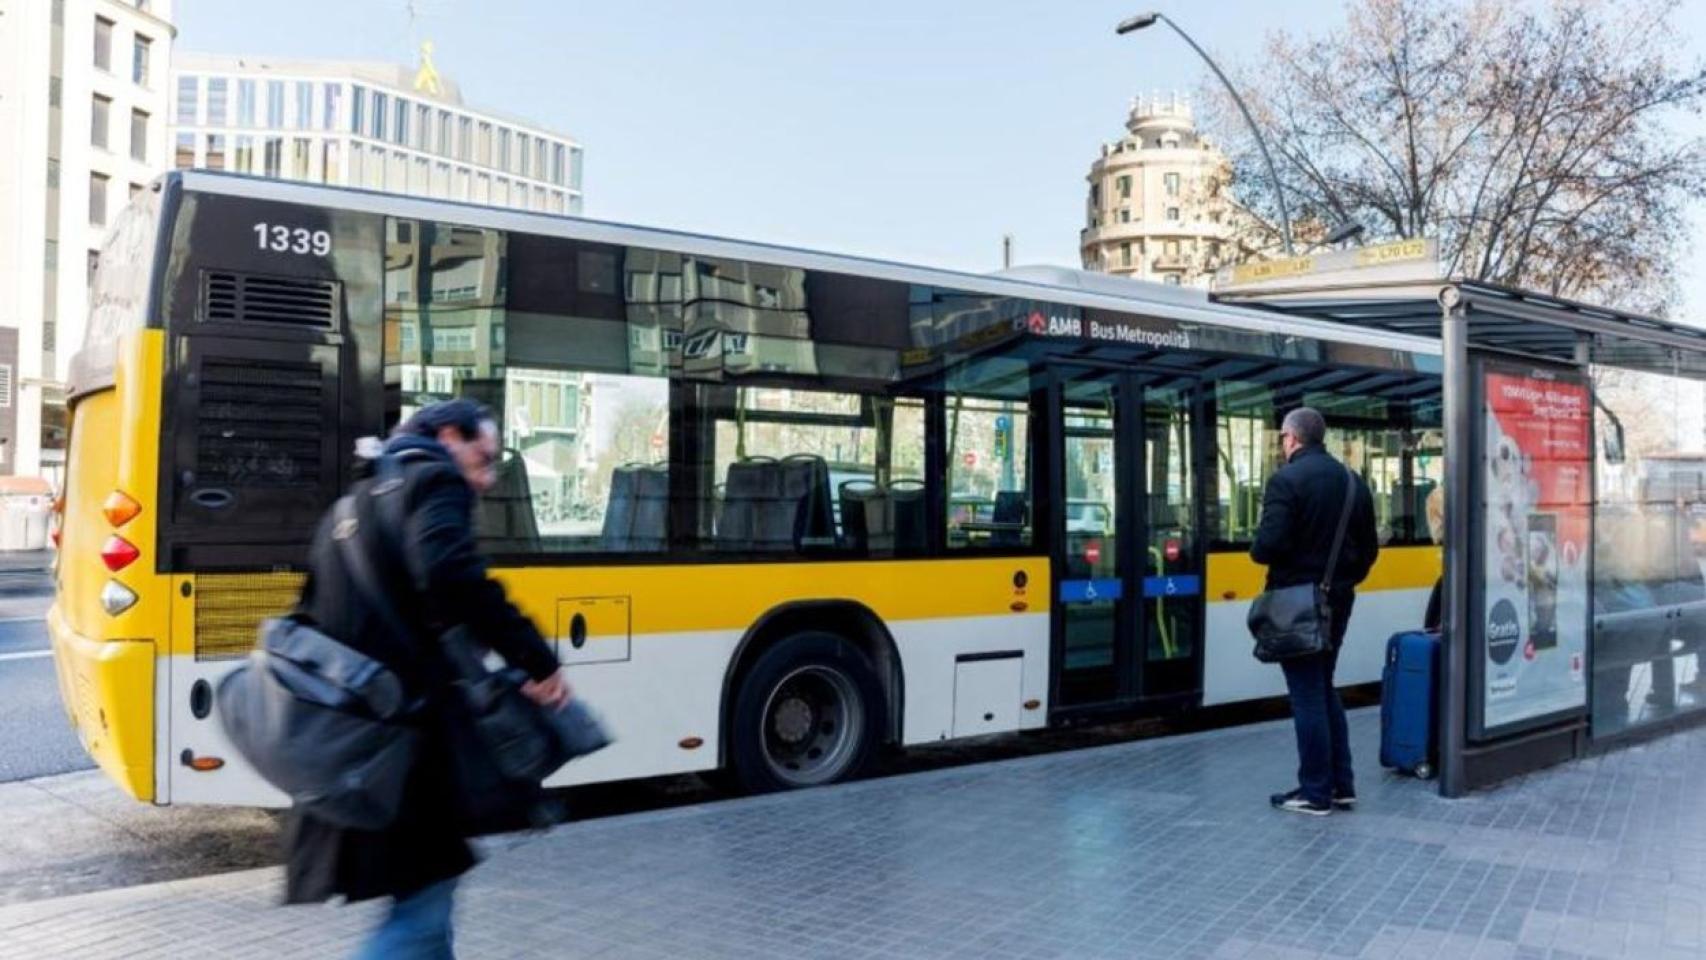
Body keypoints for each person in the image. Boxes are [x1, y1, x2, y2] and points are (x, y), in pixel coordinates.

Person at [283, 399, 570, 959]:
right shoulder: (433, 480)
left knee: (428, 910)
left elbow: (320, 613)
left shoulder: (354, 499)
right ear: (447, 437)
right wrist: (536, 659)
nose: (487, 479)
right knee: (421, 916)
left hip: (364, 738)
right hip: (410, 742)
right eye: (483, 459)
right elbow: (450, 573)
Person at [1251, 408, 1379, 816]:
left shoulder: (1285, 481)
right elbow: (1369, 551)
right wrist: (1340, 582)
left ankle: (1315, 792)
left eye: (1282, 438)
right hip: (1338, 599)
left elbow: (1266, 547)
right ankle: (1341, 786)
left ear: (1291, 438)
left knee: (1306, 693)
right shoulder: (1353, 482)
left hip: (1297, 603)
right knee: (1323, 686)